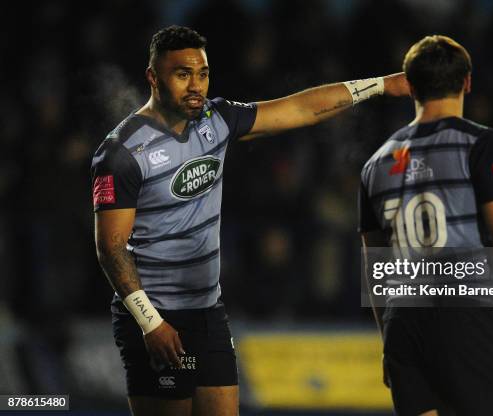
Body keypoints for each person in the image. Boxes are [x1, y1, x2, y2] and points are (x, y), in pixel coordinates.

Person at [91, 25, 408, 416]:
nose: (196, 85)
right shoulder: (122, 153)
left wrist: (380, 85)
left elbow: (300, 108)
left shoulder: (216, 119)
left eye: (203, 73)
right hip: (156, 320)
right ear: (152, 78)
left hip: (208, 313)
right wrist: (150, 323)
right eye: (182, 74)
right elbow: (110, 247)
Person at [359, 35, 493, 416]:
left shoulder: (375, 163)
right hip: (466, 312)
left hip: (403, 322)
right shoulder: (482, 143)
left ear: (410, 86)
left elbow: (374, 265)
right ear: (468, 81)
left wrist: (389, 339)